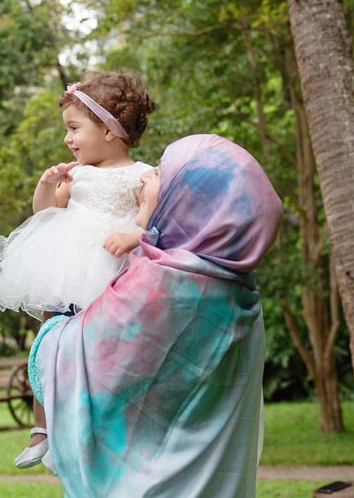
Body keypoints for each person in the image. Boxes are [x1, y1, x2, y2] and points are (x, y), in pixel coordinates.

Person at [29, 134, 283, 498]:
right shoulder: (239, 293)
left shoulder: (160, 286)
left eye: (161, 173)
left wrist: (53, 319)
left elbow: (62, 365)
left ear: (191, 199)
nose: (145, 177)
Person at [0, 71, 155, 469]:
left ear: (110, 130)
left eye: (74, 128)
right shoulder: (75, 174)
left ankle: (94, 425)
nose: (67, 138)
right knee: (47, 342)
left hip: (111, 271)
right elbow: (45, 216)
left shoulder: (142, 174)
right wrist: (46, 186)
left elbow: (151, 213)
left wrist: (134, 235)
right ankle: (42, 427)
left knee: (103, 349)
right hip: (64, 264)